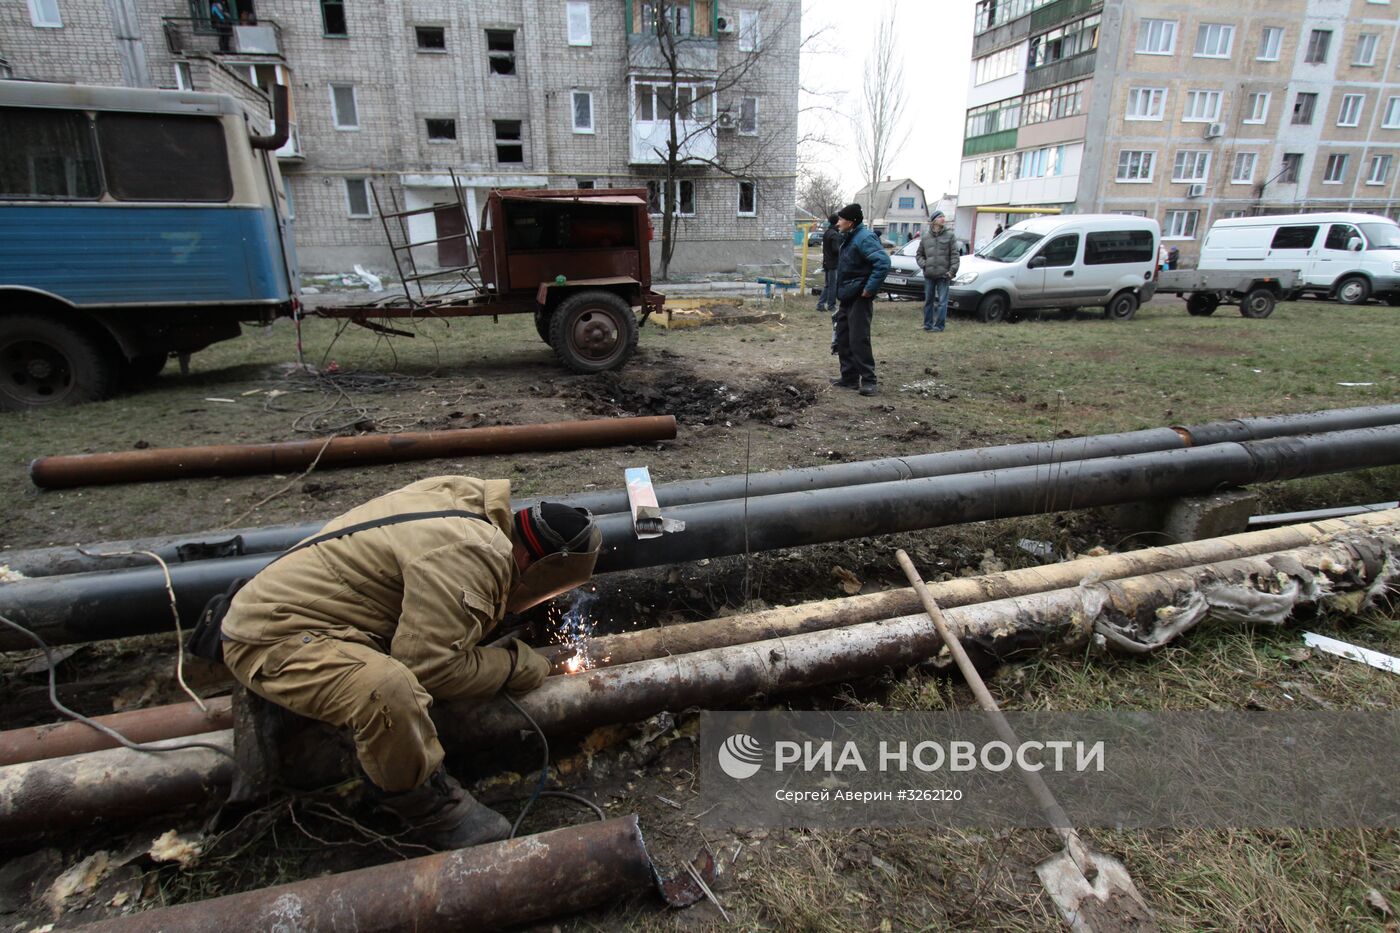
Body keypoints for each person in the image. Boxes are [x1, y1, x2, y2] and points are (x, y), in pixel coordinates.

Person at [219, 476, 601, 849]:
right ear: (531, 560)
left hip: (305, 609)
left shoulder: (465, 500)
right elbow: (430, 668)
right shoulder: (472, 553)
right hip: (271, 636)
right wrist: (517, 666)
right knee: (389, 689)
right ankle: (424, 804)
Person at [831, 202, 890, 397]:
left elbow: (882, 262)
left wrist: (869, 289)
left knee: (858, 339)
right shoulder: (849, 238)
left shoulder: (864, 238)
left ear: (851, 221)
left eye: (841, 219)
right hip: (847, 295)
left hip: (859, 296)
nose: (838, 222)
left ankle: (869, 380)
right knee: (843, 337)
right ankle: (849, 378)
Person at [916, 210, 960, 333]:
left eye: (943, 216)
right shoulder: (925, 236)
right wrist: (924, 265)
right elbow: (919, 254)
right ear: (934, 220)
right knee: (928, 300)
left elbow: (955, 255)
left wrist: (952, 271)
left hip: (943, 274)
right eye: (940, 217)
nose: (943, 219)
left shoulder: (950, 235)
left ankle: (939, 326)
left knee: (942, 302)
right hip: (929, 274)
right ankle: (927, 324)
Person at [816, 214, 843, 313]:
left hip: (827, 262)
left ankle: (820, 304)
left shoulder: (827, 232)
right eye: (839, 220)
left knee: (828, 285)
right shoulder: (834, 234)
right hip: (833, 263)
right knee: (832, 285)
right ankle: (831, 305)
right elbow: (836, 250)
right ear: (837, 222)